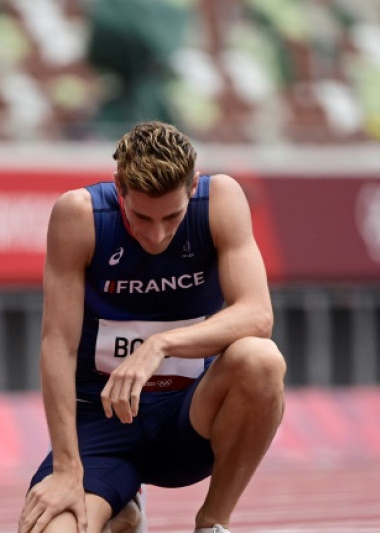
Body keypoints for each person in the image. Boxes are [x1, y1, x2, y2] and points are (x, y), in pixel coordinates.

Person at [19, 121, 286, 533]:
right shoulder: (79, 215)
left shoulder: (221, 200)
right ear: (119, 187)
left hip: (188, 421)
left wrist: (160, 345)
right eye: (141, 217)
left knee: (261, 359)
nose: (157, 234)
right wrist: (67, 470)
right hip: (102, 423)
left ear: (193, 186)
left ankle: (213, 522)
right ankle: (122, 508)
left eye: (173, 216)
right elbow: (58, 346)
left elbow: (257, 315)